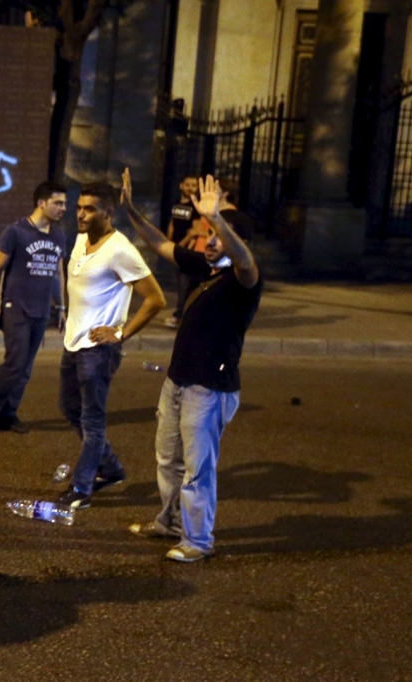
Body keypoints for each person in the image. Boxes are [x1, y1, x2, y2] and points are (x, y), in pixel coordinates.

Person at [120, 169, 263, 562]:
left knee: (197, 470)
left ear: (237, 241)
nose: (210, 241)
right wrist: (131, 210)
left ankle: (198, 541)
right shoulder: (205, 268)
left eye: (217, 236)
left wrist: (218, 217)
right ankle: (169, 523)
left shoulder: (244, 280)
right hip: (177, 382)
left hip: (210, 389)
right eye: (208, 234)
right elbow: (162, 245)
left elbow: (245, 260)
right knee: (167, 458)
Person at [56, 182, 165, 509]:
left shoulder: (120, 250)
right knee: (69, 408)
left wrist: (120, 334)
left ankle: (82, 487)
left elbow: (155, 299)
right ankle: (112, 468)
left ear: (108, 213)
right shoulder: (79, 240)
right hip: (72, 342)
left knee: (92, 420)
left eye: (90, 209)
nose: (81, 214)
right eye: (79, 207)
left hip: (98, 350)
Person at [0, 181, 68, 435]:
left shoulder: (58, 235)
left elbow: (57, 274)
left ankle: (8, 414)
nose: (63, 208)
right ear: (41, 203)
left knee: (26, 367)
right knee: (15, 363)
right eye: (58, 203)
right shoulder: (16, 232)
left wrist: (60, 307)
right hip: (16, 307)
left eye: (64, 203)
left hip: (41, 310)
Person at [164, 174, 205, 329]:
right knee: (181, 284)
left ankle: (179, 316)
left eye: (194, 185)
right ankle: (184, 316)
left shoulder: (195, 207)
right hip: (176, 247)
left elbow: (195, 230)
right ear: (181, 186)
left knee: (184, 285)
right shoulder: (176, 203)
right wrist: (168, 242)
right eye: (187, 184)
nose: (190, 188)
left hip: (186, 250)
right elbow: (172, 224)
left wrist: (181, 247)